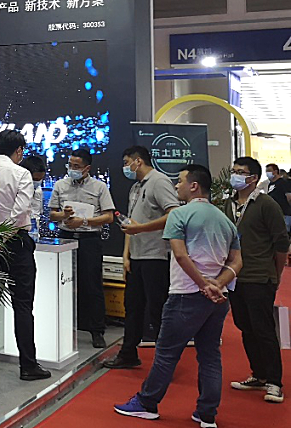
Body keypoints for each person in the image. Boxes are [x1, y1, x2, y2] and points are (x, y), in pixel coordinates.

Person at [113, 164, 242, 428]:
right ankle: (207, 413)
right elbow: (237, 261)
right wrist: (216, 284)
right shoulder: (225, 220)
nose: (176, 186)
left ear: (194, 186)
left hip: (185, 295)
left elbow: (181, 255)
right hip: (217, 299)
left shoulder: (179, 215)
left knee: (166, 353)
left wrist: (203, 285)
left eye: (180, 181)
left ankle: (147, 403)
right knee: (209, 356)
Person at [0, 130, 51, 381]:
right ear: (18, 150)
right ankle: (28, 365)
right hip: (15, 243)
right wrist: (3, 236)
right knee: (23, 305)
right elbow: (20, 212)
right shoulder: (21, 173)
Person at [104, 146, 182, 370]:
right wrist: (126, 255)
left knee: (157, 309)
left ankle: (165, 360)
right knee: (133, 307)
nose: (125, 167)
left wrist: (142, 228)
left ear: (138, 161)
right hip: (137, 256)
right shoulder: (136, 187)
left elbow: (174, 214)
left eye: (127, 162)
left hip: (155, 256)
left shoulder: (159, 181)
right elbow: (131, 223)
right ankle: (128, 353)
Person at [224, 156, 289, 404]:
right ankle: (259, 374)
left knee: (263, 329)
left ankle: (274, 381)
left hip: (260, 276)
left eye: (240, 172)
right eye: (234, 170)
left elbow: (281, 243)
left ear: (253, 178)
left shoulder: (266, 204)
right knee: (245, 326)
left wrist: (276, 274)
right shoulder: (228, 204)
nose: (235, 175)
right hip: (235, 276)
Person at [48, 148, 115, 348]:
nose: (72, 169)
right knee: (62, 283)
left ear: (87, 168)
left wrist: (84, 221)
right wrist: (64, 215)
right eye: (70, 165)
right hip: (65, 238)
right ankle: (61, 327)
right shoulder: (60, 185)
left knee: (92, 285)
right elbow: (52, 214)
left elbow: (109, 217)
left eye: (76, 166)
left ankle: (97, 330)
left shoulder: (99, 187)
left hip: (89, 239)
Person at [20, 155, 48, 235]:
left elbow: (37, 213)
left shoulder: (38, 190)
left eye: (40, 179)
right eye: (35, 179)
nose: (38, 182)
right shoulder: (15, 191)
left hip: (33, 232)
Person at [263, 162, 291, 234]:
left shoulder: (283, 182)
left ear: (275, 172)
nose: (267, 173)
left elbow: (289, 197)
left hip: (284, 213)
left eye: (269, 171)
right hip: (274, 214)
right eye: (266, 171)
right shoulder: (270, 184)